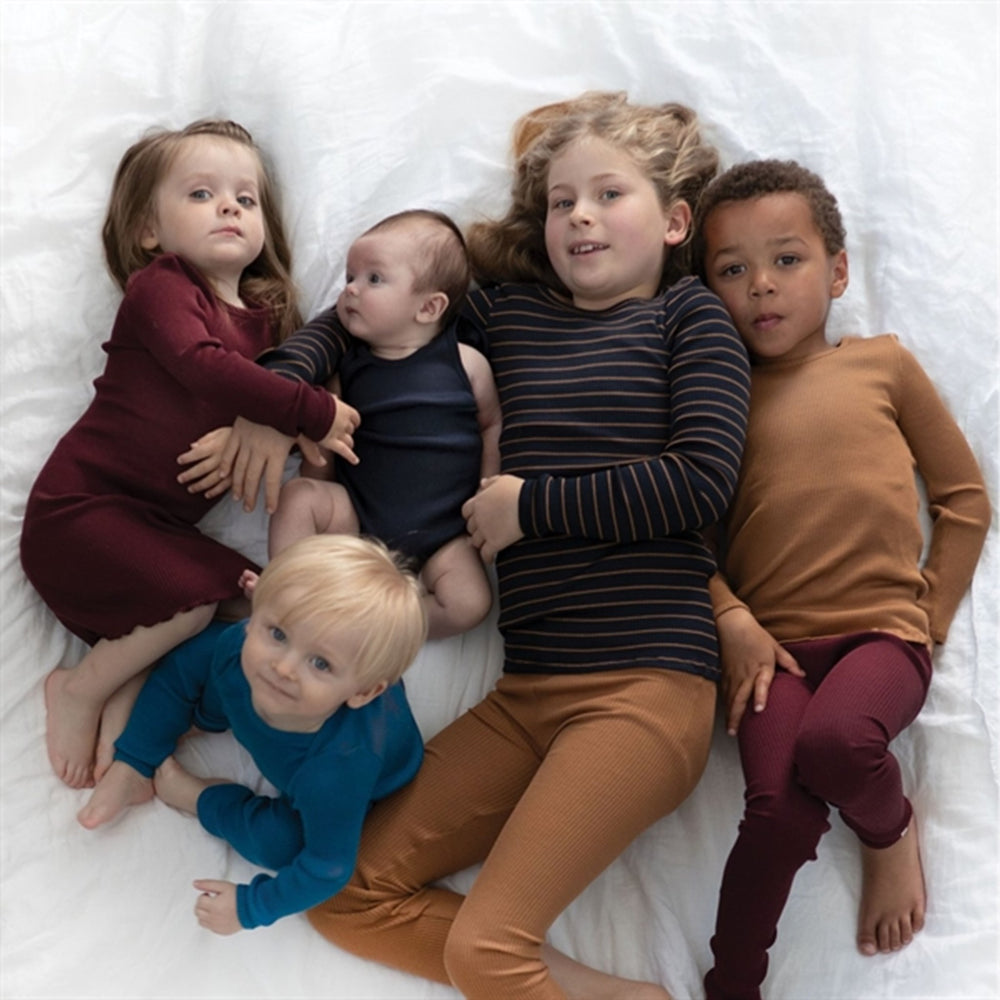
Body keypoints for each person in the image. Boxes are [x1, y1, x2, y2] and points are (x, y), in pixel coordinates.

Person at [189, 90, 751, 999]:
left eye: (608, 195)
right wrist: (278, 398)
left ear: (675, 221)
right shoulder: (509, 317)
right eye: (562, 201)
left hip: (645, 688)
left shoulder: (689, 319)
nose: (580, 216)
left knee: (489, 952)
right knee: (344, 894)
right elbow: (373, 312)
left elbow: (700, 481)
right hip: (528, 692)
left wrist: (532, 508)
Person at [693, 159, 990, 999]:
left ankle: (889, 833)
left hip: (880, 639)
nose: (761, 285)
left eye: (786, 259)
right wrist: (730, 618)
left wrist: (928, 618)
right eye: (732, 270)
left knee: (836, 747)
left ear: (838, 271)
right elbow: (686, 542)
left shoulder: (883, 365)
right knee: (776, 810)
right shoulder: (714, 404)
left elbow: (965, 500)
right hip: (772, 654)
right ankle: (732, 985)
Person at [18, 119, 361, 791]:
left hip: (156, 532)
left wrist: (279, 424)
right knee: (196, 605)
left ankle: (130, 689)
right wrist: (306, 412)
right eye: (202, 194)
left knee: (255, 603)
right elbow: (204, 368)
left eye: (245, 198)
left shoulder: (269, 321)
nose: (229, 207)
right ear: (149, 230)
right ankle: (79, 688)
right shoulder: (164, 286)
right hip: (83, 514)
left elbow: (301, 382)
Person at [77, 534, 427, 935]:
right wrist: (135, 755)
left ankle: (199, 797)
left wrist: (250, 907)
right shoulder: (240, 647)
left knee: (282, 845)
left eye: (320, 663)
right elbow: (177, 676)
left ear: (363, 692)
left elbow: (327, 867)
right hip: (253, 703)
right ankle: (135, 769)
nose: (283, 668)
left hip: (363, 782)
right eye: (278, 634)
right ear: (257, 609)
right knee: (191, 672)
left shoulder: (338, 769)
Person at [260, 209, 501, 639]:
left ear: (428, 307)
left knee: (469, 603)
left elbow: (491, 426)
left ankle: (375, 627)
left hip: (443, 535)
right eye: (350, 276)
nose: (351, 288)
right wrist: (319, 484)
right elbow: (326, 445)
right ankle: (289, 592)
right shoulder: (346, 369)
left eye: (374, 278)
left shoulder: (467, 364)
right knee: (299, 496)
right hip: (356, 521)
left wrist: (488, 486)